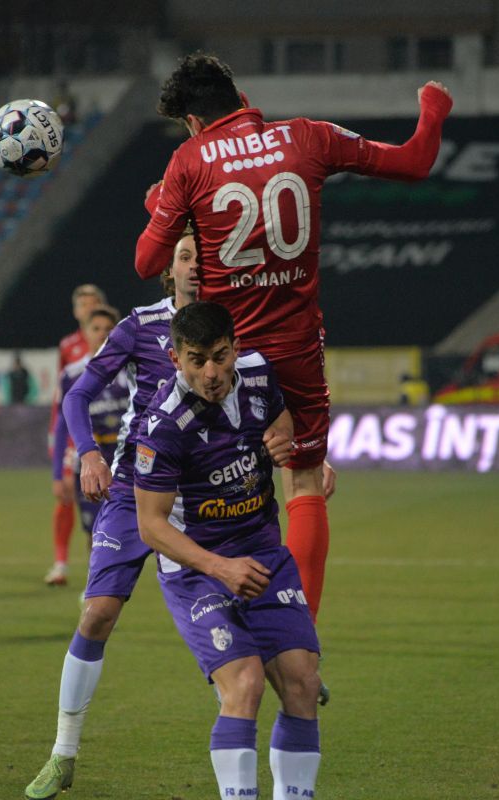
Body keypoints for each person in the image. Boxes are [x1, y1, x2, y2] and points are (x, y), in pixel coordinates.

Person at [135, 52, 452, 626]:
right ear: (241, 97)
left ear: (194, 121)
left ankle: (225, 617)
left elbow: (146, 261)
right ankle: (300, 636)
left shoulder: (190, 159)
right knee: (304, 478)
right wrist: (432, 109)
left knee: (223, 484)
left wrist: (162, 203)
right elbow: (414, 161)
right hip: (297, 346)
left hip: (227, 359)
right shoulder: (309, 137)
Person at [24, 235, 199, 800]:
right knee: (97, 613)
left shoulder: (234, 324)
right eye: (186, 256)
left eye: (204, 253)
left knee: (235, 628)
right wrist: (90, 452)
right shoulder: (140, 325)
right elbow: (76, 397)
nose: (196, 265)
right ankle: (62, 754)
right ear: (167, 270)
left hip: (204, 495)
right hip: (131, 487)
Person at [134, 301, 320, 800]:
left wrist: (286, 444)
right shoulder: (162, 426)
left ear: (236, 348)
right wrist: (220, 567)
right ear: (176, 359)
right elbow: (151, 527)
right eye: (197, 360)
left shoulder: (259, 376)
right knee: (245, 684)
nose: (211, 372)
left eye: (220, 356)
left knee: (302, 682)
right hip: (197, 565)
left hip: (261, 549)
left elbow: (281, 421)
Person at [51, 306, 129, 554]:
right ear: (84, 333)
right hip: (90, 460)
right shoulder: (72, 374)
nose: (102, 334)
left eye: (109, 329)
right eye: (96, 329)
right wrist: (57, 472)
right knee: (95, 529)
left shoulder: (131, 370)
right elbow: (63, 424)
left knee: (127, 527)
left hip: (125, 459)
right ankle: (95, 586)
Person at [45, 284, 107, 587]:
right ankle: (60, 562)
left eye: (93, 302)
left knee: (100, 508)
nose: (88, 307)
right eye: (83, 303)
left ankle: (95, 575)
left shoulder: (111, 339)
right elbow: (64, 397)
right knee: (67, 496)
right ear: (76, 311)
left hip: (107, 437)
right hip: (74, 435)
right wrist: (56, 436)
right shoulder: (69, 347)